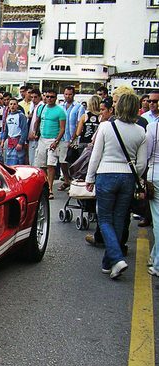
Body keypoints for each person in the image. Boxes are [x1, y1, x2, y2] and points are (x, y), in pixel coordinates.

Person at [86, 93, 147, 279]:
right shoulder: (140, 131)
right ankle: (109, 263)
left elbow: (95, 155)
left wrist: (89, 177)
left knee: (104, 219)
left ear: (118, 107)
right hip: (128, 178)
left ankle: (117, 258)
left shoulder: (106, 126)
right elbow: (142, 164)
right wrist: (132, 173)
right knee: (120, 219)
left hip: (106, 174)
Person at [32, 89, 67, 199]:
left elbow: (62, 129)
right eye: (47, 96)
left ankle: (50, 189)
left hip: (53, 139)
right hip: (42, 138)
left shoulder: (60, 111)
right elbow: (37, 121)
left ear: (55, 98)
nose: (49, 99)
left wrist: (56, 141)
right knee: (41, 165)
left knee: (51, 165)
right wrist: (34, 131)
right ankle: (43, 187)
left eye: (52, 97)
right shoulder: (41, 108)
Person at [59, 86, 85, 189]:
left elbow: (79, 124)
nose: (67, 96)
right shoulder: (61, 106)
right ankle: (66, 180)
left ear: (73, 95)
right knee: (62, 161)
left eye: (70, 94)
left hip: (73, 138)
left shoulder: (79, 107)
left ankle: (74, 182)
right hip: (62, 138)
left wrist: (72, 139)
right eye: (66, 94)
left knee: (73, 161)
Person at [146, 121, 159, 276]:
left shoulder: (153, 128)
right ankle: (154, 256)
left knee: (157, 219)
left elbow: (146, 154)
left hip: (155, 176)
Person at [0, 98, 28, 165]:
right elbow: (6, 130)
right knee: (9, 162)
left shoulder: (21, 116)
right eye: (11, 104)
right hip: (10, 142)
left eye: (14, 104)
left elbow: (24, 130)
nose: (12, 106)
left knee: (18, 163)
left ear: (17, 106)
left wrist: (21, 143)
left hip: (17, 141)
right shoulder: (8, 116)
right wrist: (3, 141)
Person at [27, 88, 44, 166]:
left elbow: (38, 120)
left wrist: (34, 132)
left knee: (35, 158)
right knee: (31, 157)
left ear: (40, 97)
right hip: (31, 135)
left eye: (35, 97)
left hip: (35, 136)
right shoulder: (34, 106)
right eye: (32, 97)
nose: (33, 99)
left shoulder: (41, 105)